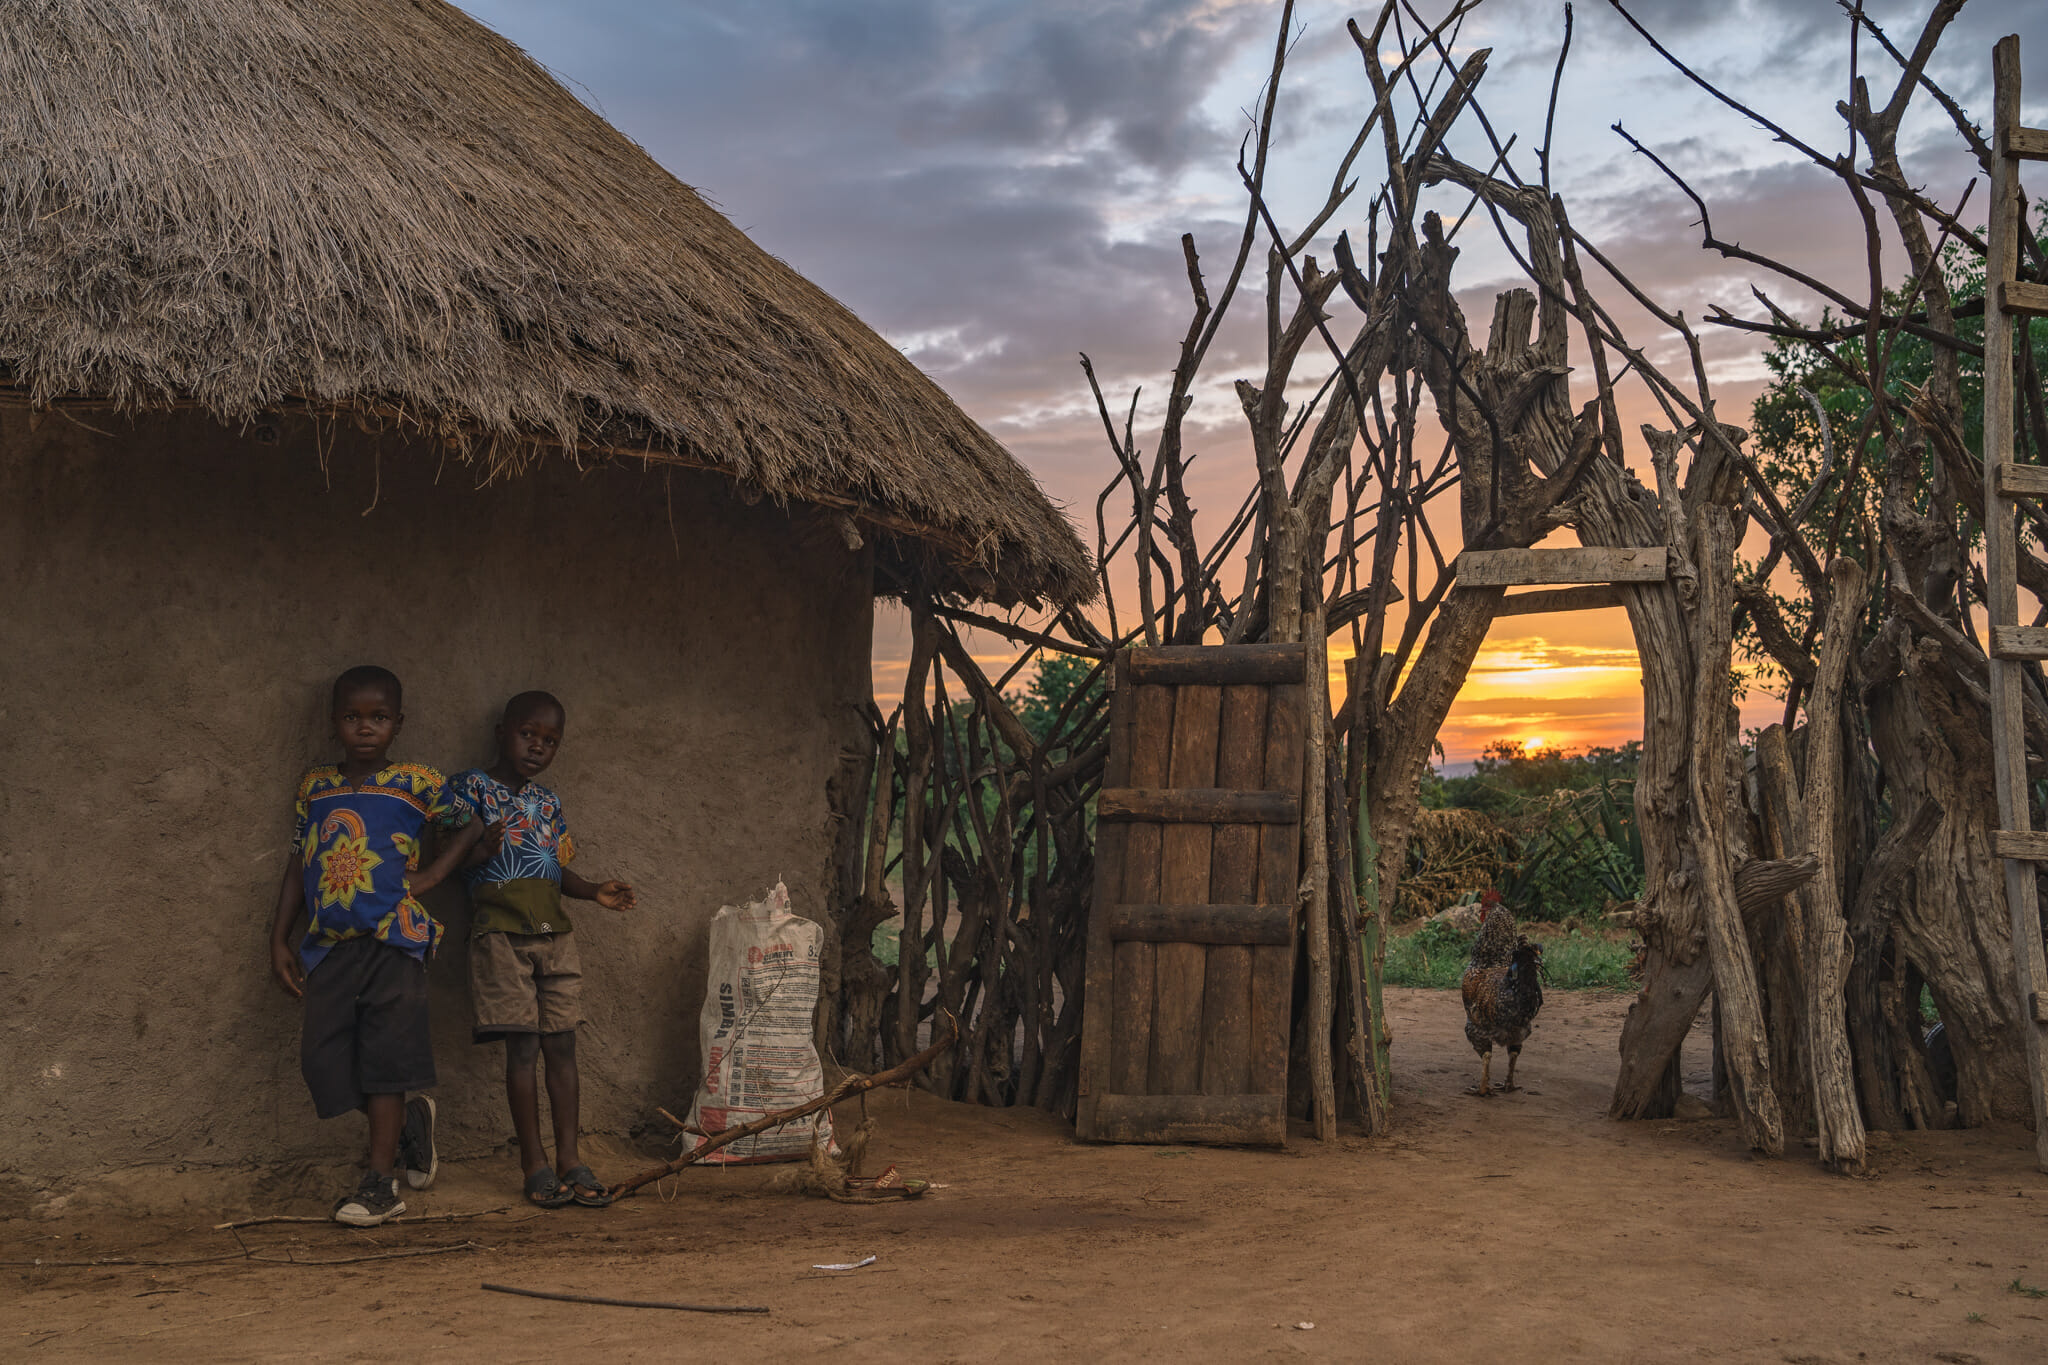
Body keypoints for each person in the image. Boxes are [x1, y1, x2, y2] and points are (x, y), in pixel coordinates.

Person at [268, 665, 483, 1227]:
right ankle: (411, 1122)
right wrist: (279, 936)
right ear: (334, 721)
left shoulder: (419, 782)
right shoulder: (315, 786)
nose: (366, 728)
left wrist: (433, 876)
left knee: (385, 1065)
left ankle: (380, 1183)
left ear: (398, 723)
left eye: (379, 717)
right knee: (322, 1061)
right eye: (353, 716)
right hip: (330, 946)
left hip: (395, 940)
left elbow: (472, 825)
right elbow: (299, 861)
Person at [448, 691, 635, 1208]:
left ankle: (571, 1158)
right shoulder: (469, 789)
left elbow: (551, 868)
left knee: (562, 1046)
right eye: (528, 734)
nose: (537, 747)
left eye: (550, 741)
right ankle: (534, 1162)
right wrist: (479, 850)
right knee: (523, 1050)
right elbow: (445, 860)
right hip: (501, 936)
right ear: (501, 731)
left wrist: (592, 890)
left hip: (556, 935)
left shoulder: (547, 802)